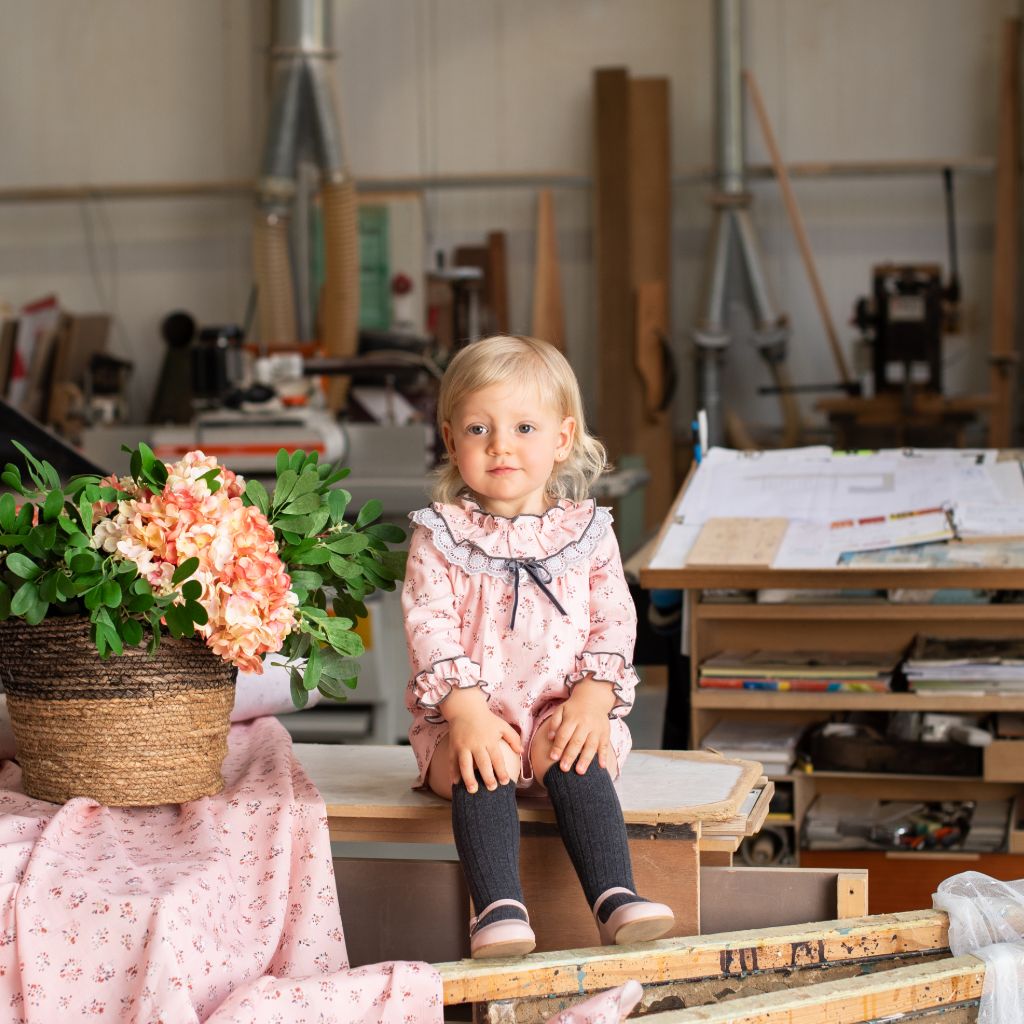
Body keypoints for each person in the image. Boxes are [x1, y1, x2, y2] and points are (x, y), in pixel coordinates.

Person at [402, 335, 674, 958]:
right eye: (478, 428)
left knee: (576, 752)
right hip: (465, 720)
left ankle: (615, 897)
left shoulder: (588, 532)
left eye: (524, 426)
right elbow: (430, 625)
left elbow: (614, 621)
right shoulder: (439, 536)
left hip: (563, 714)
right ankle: (497, 908)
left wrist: (592, 700)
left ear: (561, 438)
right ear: (451, 441)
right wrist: (467, 713)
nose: (501, 444)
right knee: (483, 758)